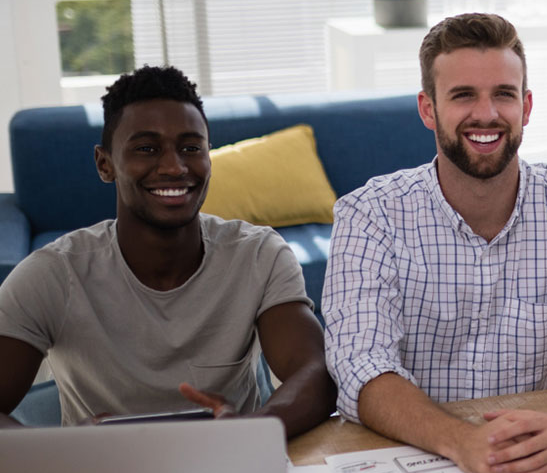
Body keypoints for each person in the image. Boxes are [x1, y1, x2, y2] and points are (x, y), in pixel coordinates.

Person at [323, 12, 547, 473]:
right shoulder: (370, 215)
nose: (486, 114)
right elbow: (360, 365)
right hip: (412, 458)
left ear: (525, 108)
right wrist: (461, 441)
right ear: (428, 109)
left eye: (503, 95)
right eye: (463, 95)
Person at [0, 65, 335, 435]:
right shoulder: (52, 274)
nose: (175, 167)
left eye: (191, 148)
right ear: (105, 164)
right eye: (147, 148)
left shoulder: (259, 255)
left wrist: (248, 434)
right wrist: (62, 454)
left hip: (229, 469)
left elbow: (316, 373)